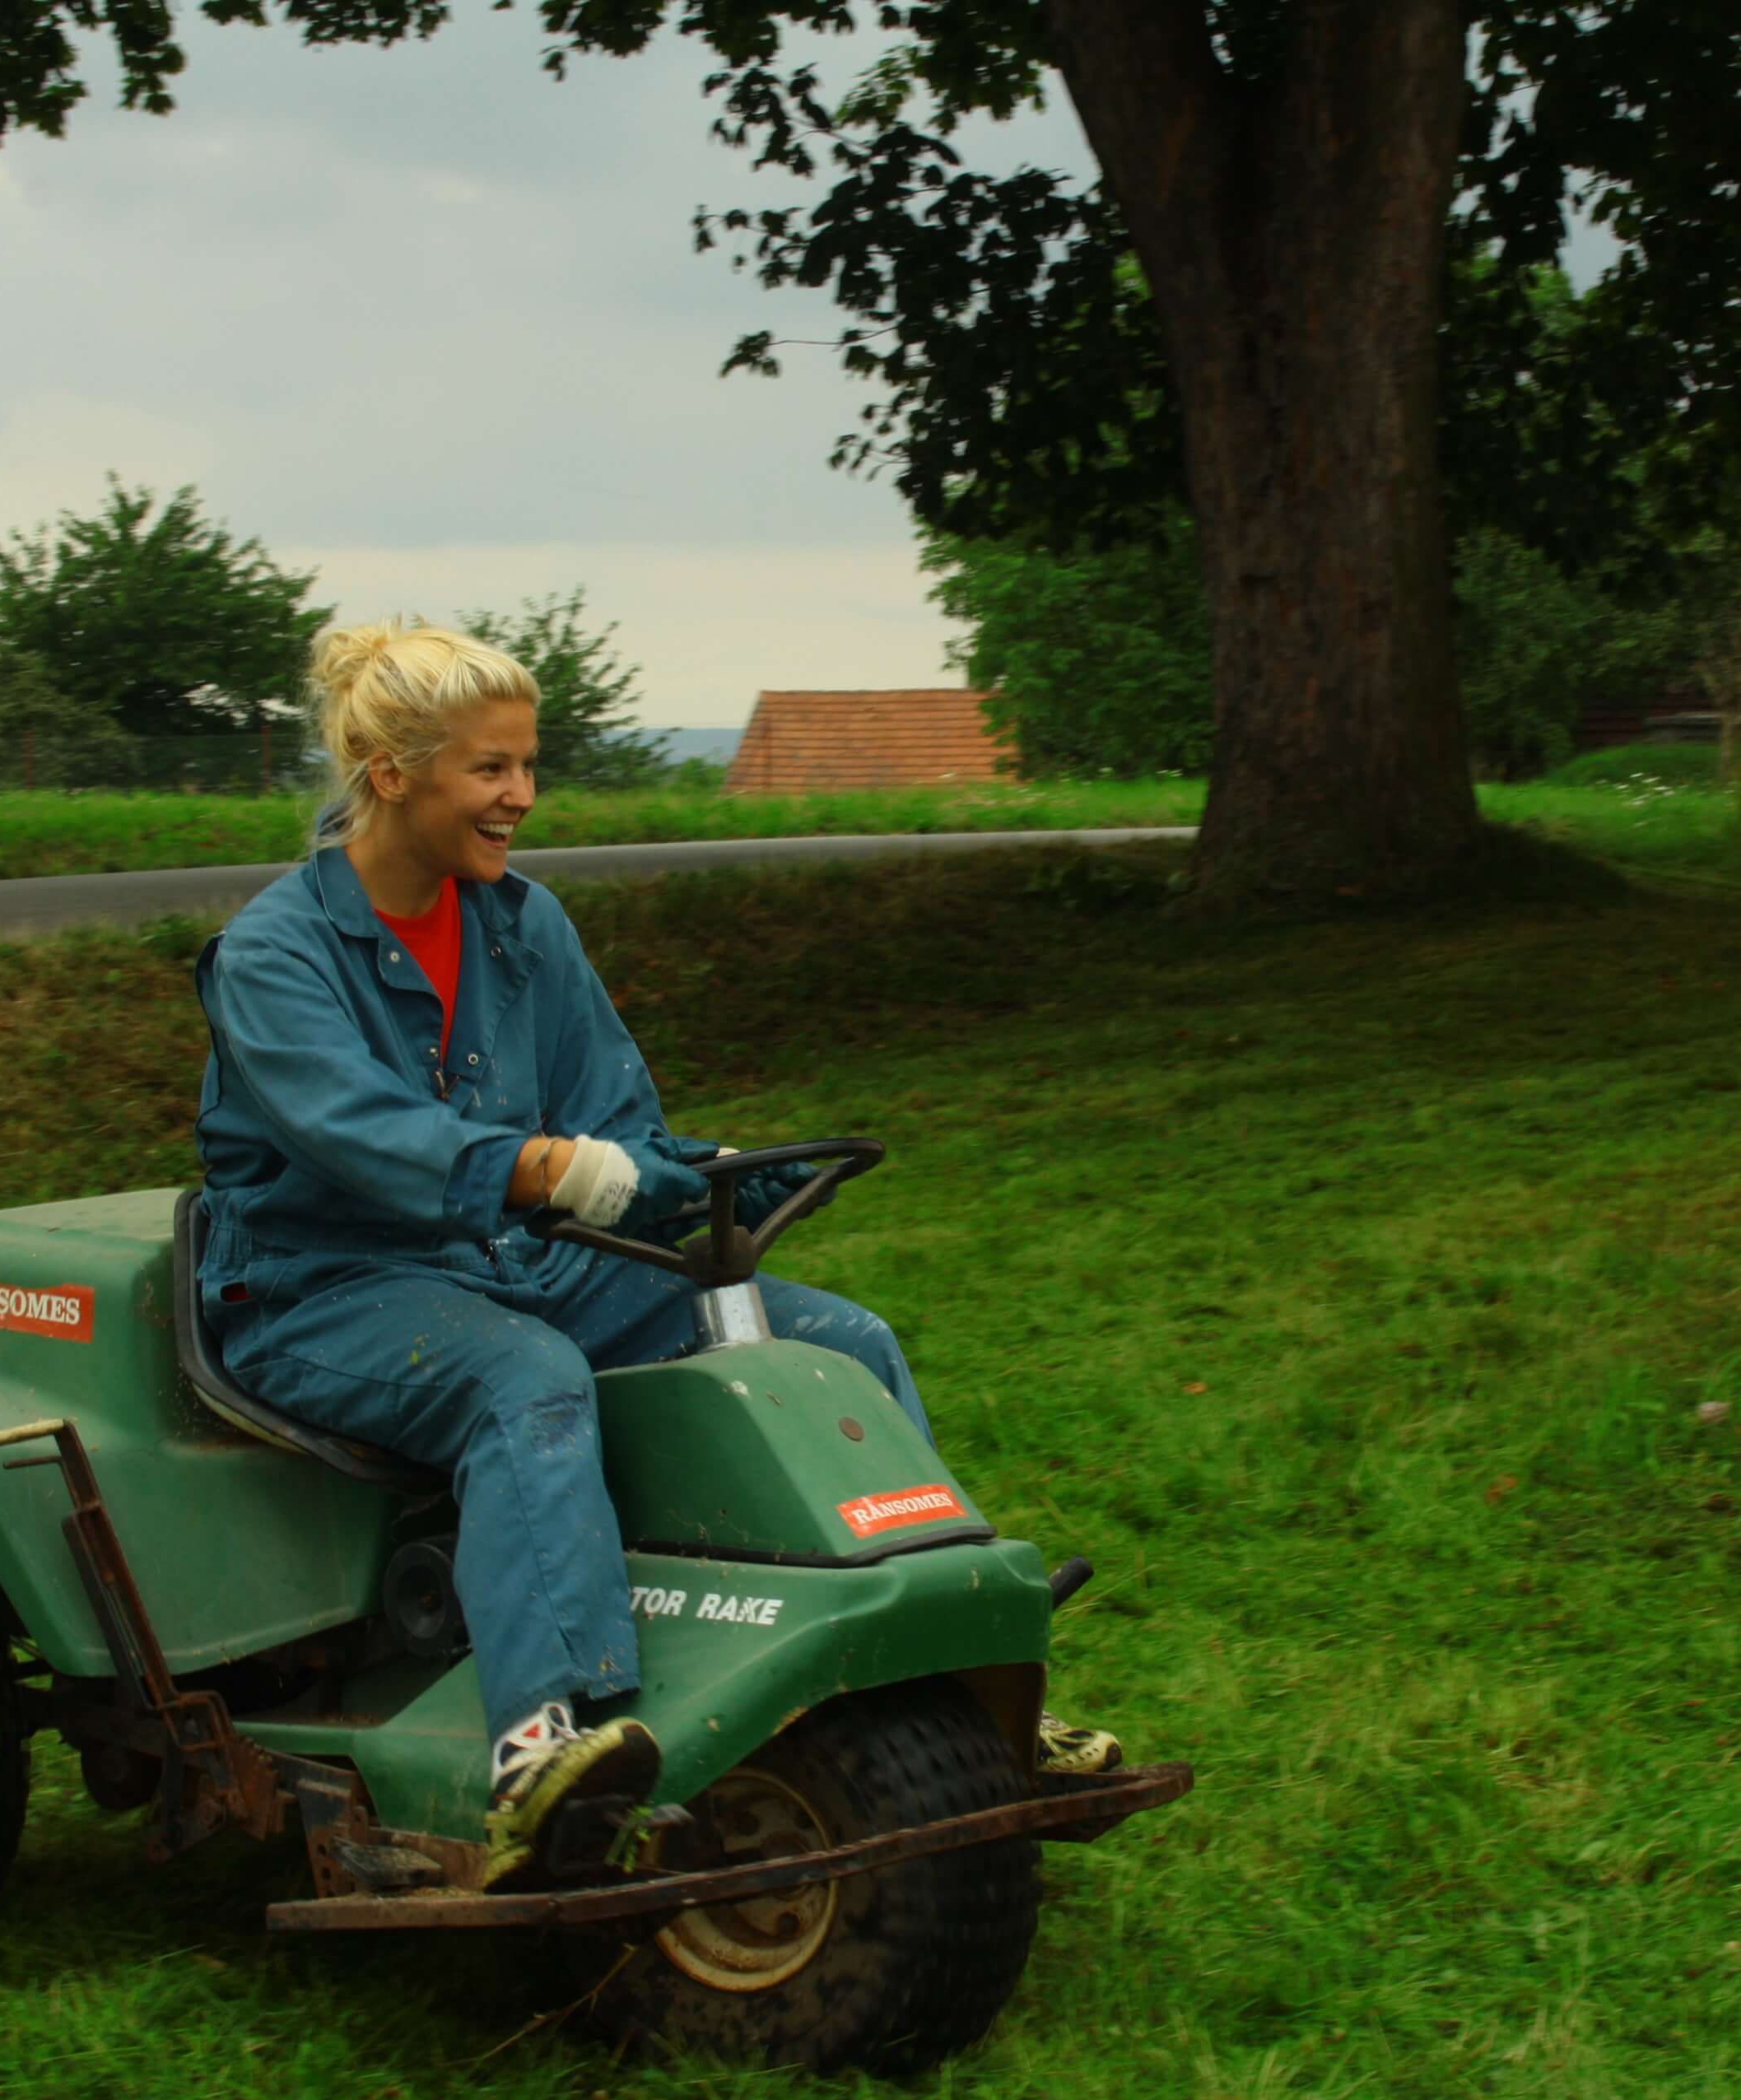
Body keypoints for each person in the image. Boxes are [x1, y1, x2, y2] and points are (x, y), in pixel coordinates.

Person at [192, 620, 1114, 1888]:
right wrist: (545, 1170)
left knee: (836, 1340)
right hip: (325, 1290)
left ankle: (969, 1686)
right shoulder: (274, 954)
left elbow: (614, 1126)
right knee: (523, 1381)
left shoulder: (524, 925)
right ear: (392, 774)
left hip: (519, 1262)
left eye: (528, 764)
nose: (522, 795)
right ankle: (540, 1748)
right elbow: (361, 1136)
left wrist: (702, 1172)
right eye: (490, 768)